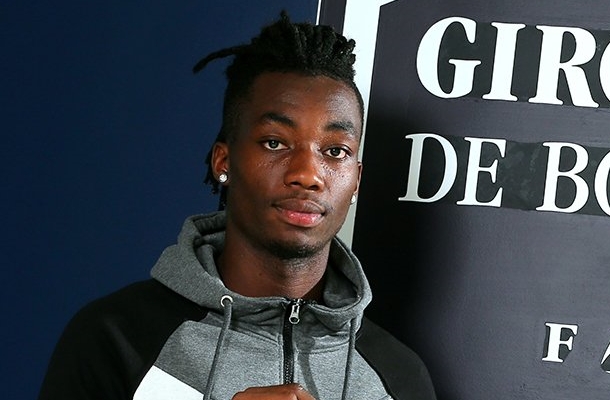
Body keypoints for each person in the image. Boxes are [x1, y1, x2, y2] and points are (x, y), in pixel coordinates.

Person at [37, 11, 437, 400]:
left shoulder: (398, 377)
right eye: (275, 143)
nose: (307, 174)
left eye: (335, 151)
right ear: (223, 161)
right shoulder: (119, 339)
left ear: (356, 180)